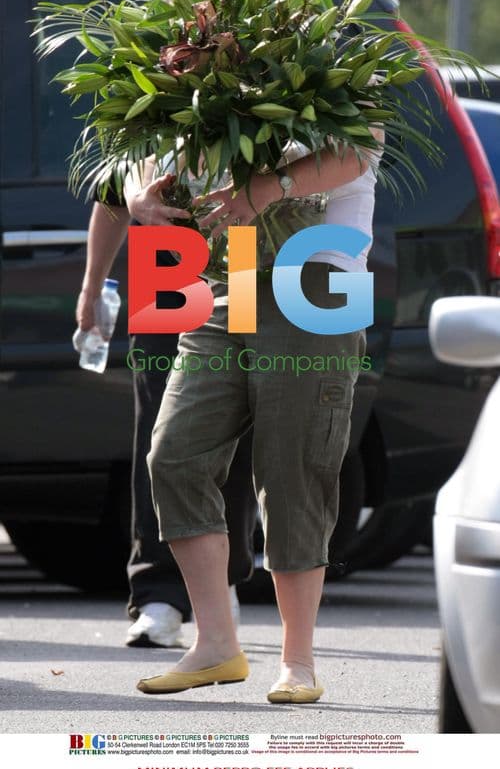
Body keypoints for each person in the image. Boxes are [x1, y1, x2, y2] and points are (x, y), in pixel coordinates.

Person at [124, 130, 383, 702]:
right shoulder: (210, 77)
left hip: (319, 273)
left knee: (293, 468)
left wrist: (267, 187)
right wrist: (139, 194)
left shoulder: (346, 68)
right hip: (230, 272)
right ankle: (216, 645)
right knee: (174, 455)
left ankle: (298, 661)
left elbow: (362, 146)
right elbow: (148, 145)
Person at [76, 196, 258, 647]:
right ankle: (159, 595)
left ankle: (222, 579)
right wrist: (92, 286)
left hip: (241, 246)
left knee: (233, 421)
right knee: (158, 429)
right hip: (162, 254)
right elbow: (113, 190)